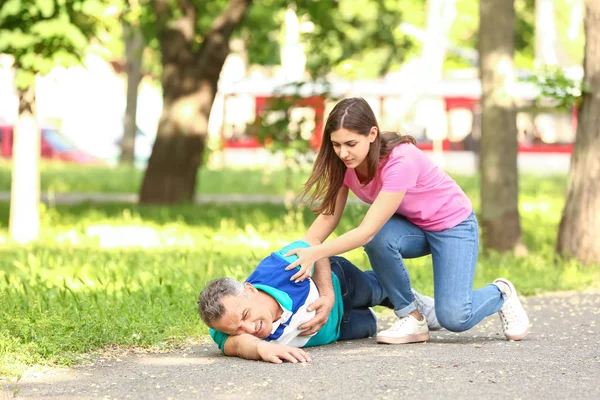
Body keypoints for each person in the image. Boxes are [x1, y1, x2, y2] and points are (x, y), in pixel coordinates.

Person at [284, 97, 529, 345]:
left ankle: (502, 292)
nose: (343, 153)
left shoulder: (401, 161)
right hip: (413, 227)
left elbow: (366, 231)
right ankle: (411, 314)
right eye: (336, 145)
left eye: (350, 144)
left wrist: (315, 253)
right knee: (380, 239)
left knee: (456, 318)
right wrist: (299, 255)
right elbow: (327, 219)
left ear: (372, 134)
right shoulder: (344, 164)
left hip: (453, 225)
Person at [198, 239, 440, 364]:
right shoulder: (224, 329)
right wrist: (263, 349)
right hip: (339, 329)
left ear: (249, 290)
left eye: (245, 316)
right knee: (373, 329)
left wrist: (327, 295)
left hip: (339, 284)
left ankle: (415, 305)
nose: (249, 329)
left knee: (379, 291)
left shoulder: (278, 268)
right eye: (236, 330)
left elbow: (313, 247)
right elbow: (239, 345)